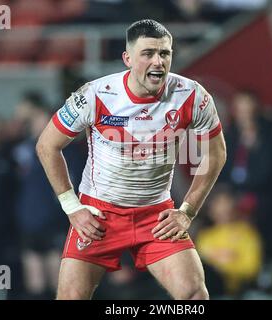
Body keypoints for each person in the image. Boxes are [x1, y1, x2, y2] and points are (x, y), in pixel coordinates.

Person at [36, 19, 226, 300]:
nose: (158, 62)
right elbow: (47, 145)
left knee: (194, 294)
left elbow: (217, 153)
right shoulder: (95, 94)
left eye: (165, 53)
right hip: (100, 216)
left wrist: (187, 211)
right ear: (127, 58)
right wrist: (72, 208)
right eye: (148, 53)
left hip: (155, 215)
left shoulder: (192, 95)